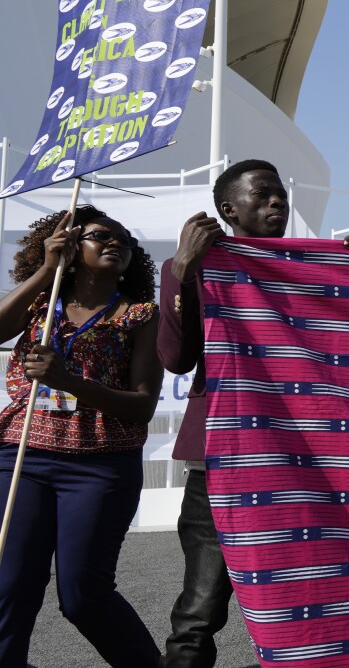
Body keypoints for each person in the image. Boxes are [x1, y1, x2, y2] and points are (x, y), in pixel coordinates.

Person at [161, 160, 349, 667]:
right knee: (201, 606)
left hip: (306, 460)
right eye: (263, 195)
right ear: (228, 209)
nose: (277, 202)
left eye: (280, 194)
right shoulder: (191, 267)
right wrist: (186, 272)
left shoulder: (314, 265)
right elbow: (176, 358)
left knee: (311, 598)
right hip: (223, 460)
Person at [0, 207, 161, 666]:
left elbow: (144, 404)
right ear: (72, 248)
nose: (116, 243)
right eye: (99, 236)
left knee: (83, 595)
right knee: (10, 586)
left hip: (100, 465)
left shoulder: (140, 315)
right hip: (22, 455)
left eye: (125, 240)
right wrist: (47, 271)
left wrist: (70, 381)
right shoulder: (38, 303)